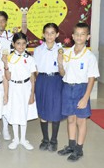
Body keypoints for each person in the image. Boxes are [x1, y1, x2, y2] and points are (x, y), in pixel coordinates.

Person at [57, 23, 99, 162]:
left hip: (81, 89)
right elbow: (63, 74)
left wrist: (86, 97)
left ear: (88, 37)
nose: (79, 37)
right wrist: (61, 64)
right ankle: (71, 145)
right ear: (73, 36)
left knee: (81, 121)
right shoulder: (67, 53)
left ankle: (79, 149)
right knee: (70, 119)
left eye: (83, 34)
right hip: (68, 88)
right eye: (77, 34)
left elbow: (91, 78)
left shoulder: (90, 56)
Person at [2, 32, 37, 151]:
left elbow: (32, 77)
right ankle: (16, 138)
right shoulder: (10, 58)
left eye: (23, 44)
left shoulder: (30, 58)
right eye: (18, 44)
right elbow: (7, 77)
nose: (21, 46)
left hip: (26, 88)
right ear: (13, 44)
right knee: (15, 113)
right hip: (14, 88)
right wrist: (6, 64)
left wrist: (32, 94)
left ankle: (23, 139)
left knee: (24, 113)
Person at [34, 23, 66, 152]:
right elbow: (35, 69)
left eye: (52, 33)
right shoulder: (38, 50)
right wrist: (40, 80)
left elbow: (63, 73)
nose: (49, 35)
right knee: (43, 109)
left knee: (55, 110)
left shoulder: (62, 50)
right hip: (42, 80)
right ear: (43, 34)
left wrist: (60, 63)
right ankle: (45, 139)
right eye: (47, 33)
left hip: (56, 80)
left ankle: (54, 140)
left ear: (57, 34)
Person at [0, 11, 13, 141]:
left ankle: (5, 128)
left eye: (3, 20)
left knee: (6, 99)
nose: (0, 23)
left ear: (6, 22)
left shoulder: (11, 36)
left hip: (7, 69)